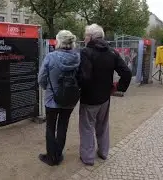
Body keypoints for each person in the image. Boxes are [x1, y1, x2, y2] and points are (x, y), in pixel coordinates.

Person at [78, 24, 132, 166]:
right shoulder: (112, 52)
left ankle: (88, 158)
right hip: (105, 98)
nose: (84, 38)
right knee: (103, 126)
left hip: (89, 99)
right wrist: (118, 87)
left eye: (85, 35)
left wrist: (78, 88)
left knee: (87, 127)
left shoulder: (86, 52)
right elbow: (127, 73)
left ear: (90, 37)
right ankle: (103, 152)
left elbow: (85, 77)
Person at [38, 30, 80, 166]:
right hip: (70, 98)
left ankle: (51, 157)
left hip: (52, 99)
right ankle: (58, 154)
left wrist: (48, 88)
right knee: (63, 126)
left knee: (50, 127)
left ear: (59, 41)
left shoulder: (51, 57)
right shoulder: (77, 57)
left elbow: (41, 78)